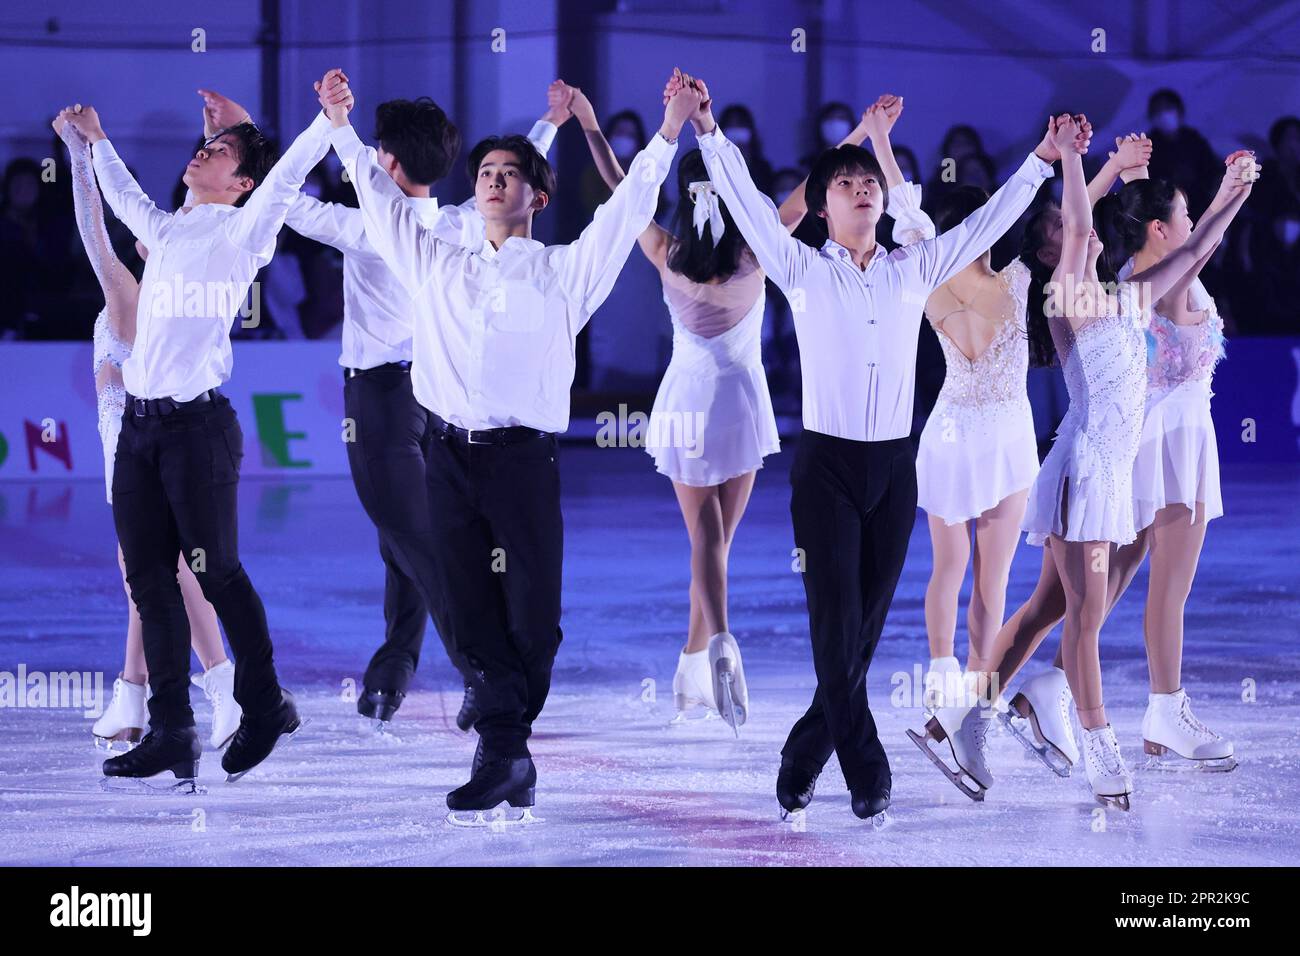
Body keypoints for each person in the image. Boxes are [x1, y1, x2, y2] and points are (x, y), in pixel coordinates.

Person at [685, 65, 1062, 824]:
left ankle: (803, 752)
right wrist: (708, 131)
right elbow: (754, 214)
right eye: (847, 184)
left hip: (896, 467)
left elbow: (985, 225)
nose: (864, 190)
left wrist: (1044, 161)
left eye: (871, 183)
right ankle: (867, 766)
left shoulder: (912, 270)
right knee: (833, 620)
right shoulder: (799, 268)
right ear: (823, 210)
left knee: (861, 629)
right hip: (825, 466)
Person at [317, 68, 695, 822]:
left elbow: (626, 213)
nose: (492, 181)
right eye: (485, 172)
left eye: (509, 174)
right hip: (445, 458)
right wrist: (338, 126)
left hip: (523, 463)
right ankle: (502, 750)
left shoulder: (563, 273)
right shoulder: (435, 264)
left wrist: (669, 132)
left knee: (533, 622)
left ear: (537, 196)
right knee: (464, 603)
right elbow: (377, 194)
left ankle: (507, 743)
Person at [913, 118, 1255, 811]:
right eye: (1078, 231)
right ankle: (1102, 753)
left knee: (1053, 605)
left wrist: (1231, 193)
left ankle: (956, 718)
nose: (1090, 232)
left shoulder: (1126, 297)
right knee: (1086, 618)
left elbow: (1195, 250)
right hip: (1082, 474)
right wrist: (1072, 158)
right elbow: (1074, 230)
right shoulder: (1069, 296)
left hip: (1105, 476)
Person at [216, 82, 565, 736]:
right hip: (441, 396)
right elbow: (511, 175)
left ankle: (488, 679)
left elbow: (281, 200)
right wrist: (547, 123)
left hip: (381, 403)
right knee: (402, 538)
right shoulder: (462, 221)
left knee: (416, 540)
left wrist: (253, 137)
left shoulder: (364, 226)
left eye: (378, 149)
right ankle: (393, 671)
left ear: (390, 162)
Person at [59, 73, 340, 790]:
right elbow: (122, 204)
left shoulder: (244, 230)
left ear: (240, 181)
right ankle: (172, 731)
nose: (203, 150)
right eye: (205, 143)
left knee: (217, 573)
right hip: (141, 430)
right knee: (148, 579)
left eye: (218, 150)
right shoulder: (171, 227)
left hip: (196, 431)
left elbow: (284, 181)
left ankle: (265, 701)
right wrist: (97, 145)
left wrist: (327, 118)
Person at [560, 81, 779, 733]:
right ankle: (717, 648)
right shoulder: (757, 251)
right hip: (743, 400)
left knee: (704, 541)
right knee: (719, 544)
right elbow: (796, 199)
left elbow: (622, 183)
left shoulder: (665, 249)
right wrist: (860, 140)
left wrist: (594, 124)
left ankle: (697, 659)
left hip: (685, 400)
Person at [54, 107, 241, 755]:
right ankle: (135, 695)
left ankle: (217, 686)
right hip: (128, 449)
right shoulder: (143, 287)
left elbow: (93, 233)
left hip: (148, 445)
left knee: (164, 569)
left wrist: (81, 156)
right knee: (147, 571)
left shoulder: (130, 296)